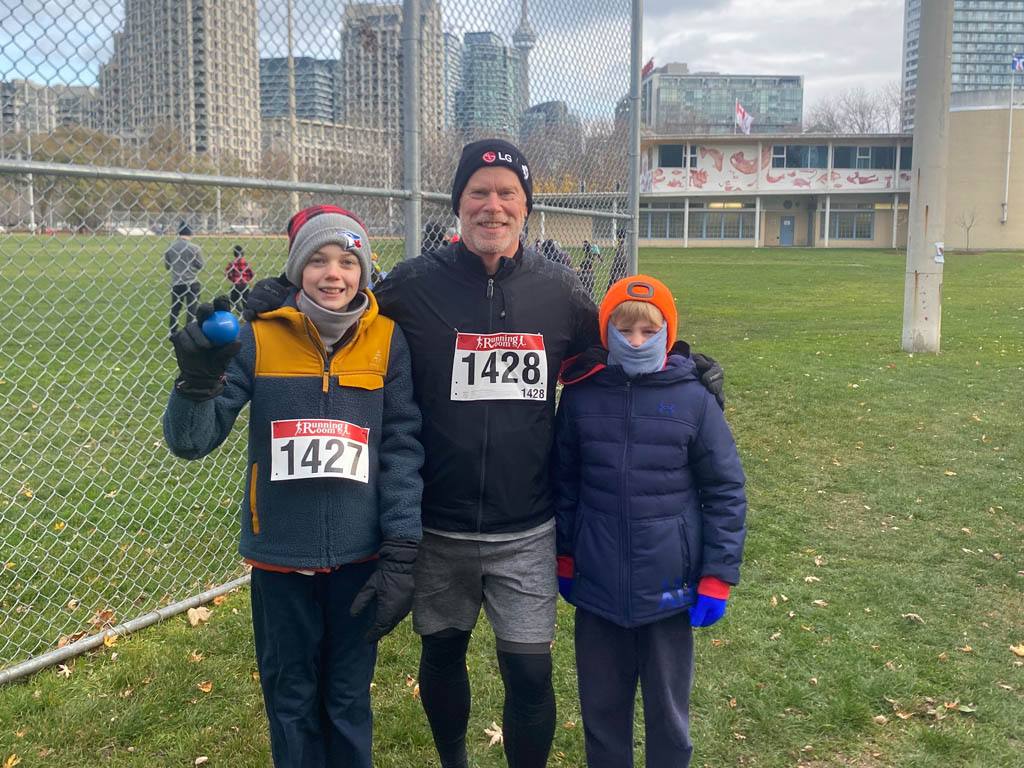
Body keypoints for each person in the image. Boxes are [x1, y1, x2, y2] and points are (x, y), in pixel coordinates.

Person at [243, 139, 725, 768]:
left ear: (526, 207)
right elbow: (341, 308)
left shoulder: (560, 291)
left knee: (528, 675)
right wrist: (277, 300)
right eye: (478, 193)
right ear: (458, 204)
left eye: (507, 195)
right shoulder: (412, 286)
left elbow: (617, 360)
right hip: (437, 523)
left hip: (526, 524)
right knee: (441, 657)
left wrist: (682, 366)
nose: (492, 207)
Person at [163, 205, 424, 768]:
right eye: (319, 260)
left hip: (359, 557)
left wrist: (402, 545)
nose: (334, 273)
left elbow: (402, 447)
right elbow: (192, 441)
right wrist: (197, 383)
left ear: (365, 271)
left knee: (348, 699)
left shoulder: (387, 341)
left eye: (348, 261)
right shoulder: (259, 338)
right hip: (281, 557)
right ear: (297, 269)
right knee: (291, 699)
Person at [553, 275, 747, 768]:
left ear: (666, 332)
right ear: (606, 333)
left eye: (646, 331)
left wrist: (717, 577)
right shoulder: (580, 397)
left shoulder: (694, 401)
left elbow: (724, 490)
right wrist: (567, 555)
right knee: (602, 714)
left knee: (668, 716)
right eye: (624, 330)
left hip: (669, 588)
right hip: (597, 587)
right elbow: (566, 482)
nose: (635, 341)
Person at [164, 221, 204, 337]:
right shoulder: (195, 248)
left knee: (175, 308)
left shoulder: (170, 247)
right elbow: (200, 265)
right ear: (189, 233)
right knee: (191, 308)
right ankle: (189, 331)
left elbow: (167, 266)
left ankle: (173, 331)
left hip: (177, 281)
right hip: (192, 281)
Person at [224, 243, 254, 313]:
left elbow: (226, 273)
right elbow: (251, 274)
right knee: (245, 301)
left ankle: (240, 312)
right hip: (244, 284)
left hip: (236, 284)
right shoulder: (246, 262)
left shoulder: (232, 263)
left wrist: (231, 279)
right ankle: (245, 314)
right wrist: (247, 280)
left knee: (233, 300)